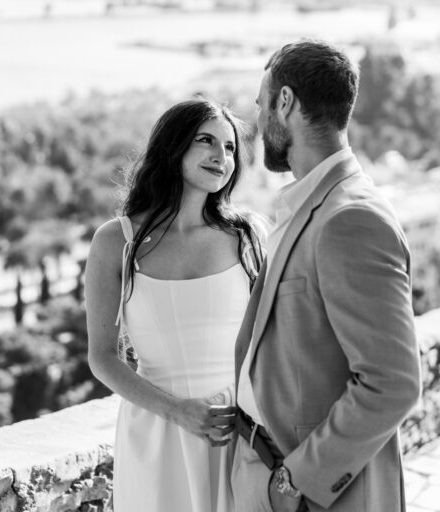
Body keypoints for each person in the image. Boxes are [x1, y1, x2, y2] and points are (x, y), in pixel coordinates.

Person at [231, 40, 422, 512]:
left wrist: (294, 484)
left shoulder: (350, 219)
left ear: (286, 101)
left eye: (261, 103)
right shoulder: (312, 204)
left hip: (320, 497)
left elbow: (392, 381)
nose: (257, 122)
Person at [84, 99, 264, 512]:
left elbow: (271, 341)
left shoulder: (249, 237)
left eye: (231, 147)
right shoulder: (115, 242)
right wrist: (177, 411)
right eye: (206, 141)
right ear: (173, 147)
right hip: (155, 431)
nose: (222, 156)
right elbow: (102, 358)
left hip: (237, 430)